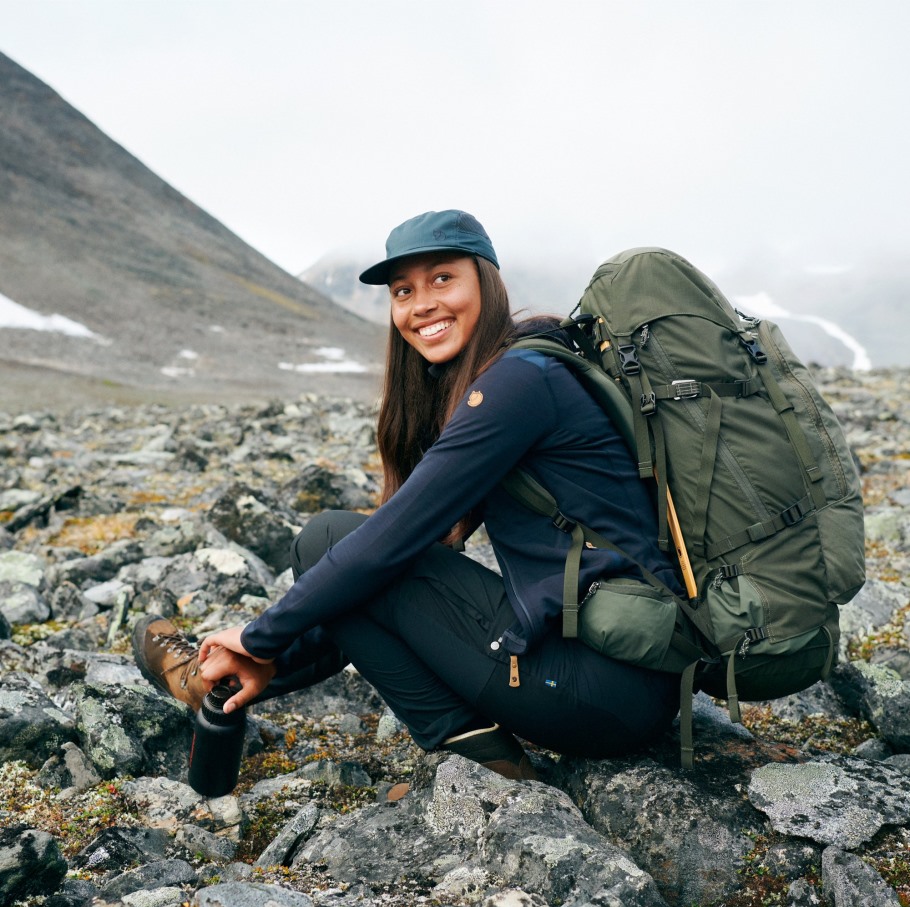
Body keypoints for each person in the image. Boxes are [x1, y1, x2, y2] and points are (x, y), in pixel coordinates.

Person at [132, 209, 683, 780]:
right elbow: (387, 577)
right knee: (350, 563)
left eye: (443, 279)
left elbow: (385, 544)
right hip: (627, 679)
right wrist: (269, 658)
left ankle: (481, 759)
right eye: (403, 290)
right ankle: (215, 685)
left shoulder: (519, 384)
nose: (421, 304)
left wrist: (257, 637)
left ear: (486, 283)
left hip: (601, 691)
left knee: (330, 539)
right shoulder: (521, 368)